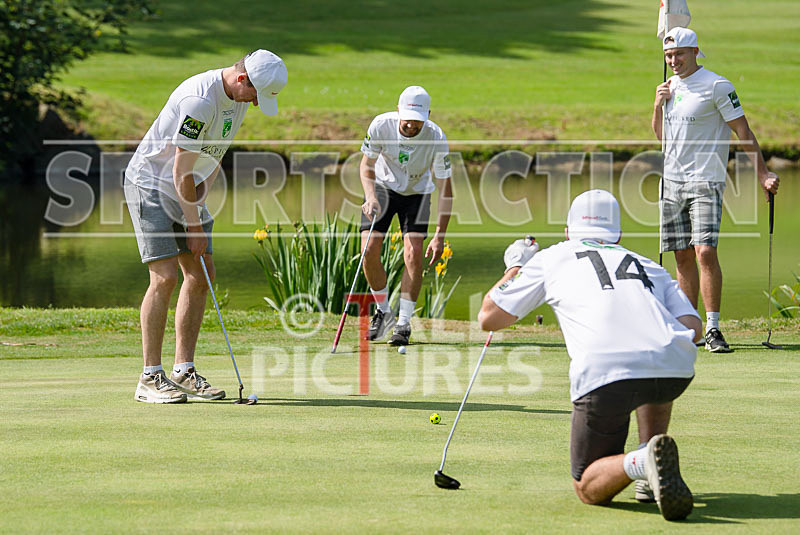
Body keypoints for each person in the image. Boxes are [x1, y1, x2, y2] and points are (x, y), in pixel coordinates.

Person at [478, 190, 702, 521]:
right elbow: (693, 328)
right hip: (675, 370)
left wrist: (516, 267)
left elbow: (489, 317)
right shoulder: (648, 265)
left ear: (568, 232)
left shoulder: (553, 256)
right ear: (618, 235)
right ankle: (650, 460)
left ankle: (642, 461)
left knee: (587, 486)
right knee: (656, 354)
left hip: (605, 373)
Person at [124, 50, 288, 403]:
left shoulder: (239, 99)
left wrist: (204, 192)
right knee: (165, 276)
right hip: (150, 184)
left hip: (185, 187)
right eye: (256, 96)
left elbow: (214, 152)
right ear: (242, 79)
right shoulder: (199, 100)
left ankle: (183, 372)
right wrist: (194, 225)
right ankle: (149, 377)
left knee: (201, 274)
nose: (256, 105)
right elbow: (179, 168)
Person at [652, 27, 779, 353]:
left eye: (679, 54)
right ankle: (688, 327)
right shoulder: (669, 87)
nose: (673, 61)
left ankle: (712, 328)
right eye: (668, 55)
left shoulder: (717, 86)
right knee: (681, 256)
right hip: (672, 183)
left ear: (695, 51)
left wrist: (762, 173)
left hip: (706, 180)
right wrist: (657, 106)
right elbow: (661, 137)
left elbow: (743, 131)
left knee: (704, 251)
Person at [359, 85, 453, 346]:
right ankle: (384, 312)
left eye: (418, 122)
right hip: (382, 188)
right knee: (368, 249)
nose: (412, 126)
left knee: (413, 252)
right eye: (408, 120)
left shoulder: (436, 137)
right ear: (398, 110)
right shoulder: (380, 125)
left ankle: (403, 324)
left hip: (418, 193)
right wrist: (371, 196)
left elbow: (446, 190)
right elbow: (366, 166)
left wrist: (439, 236)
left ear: (428, 115)